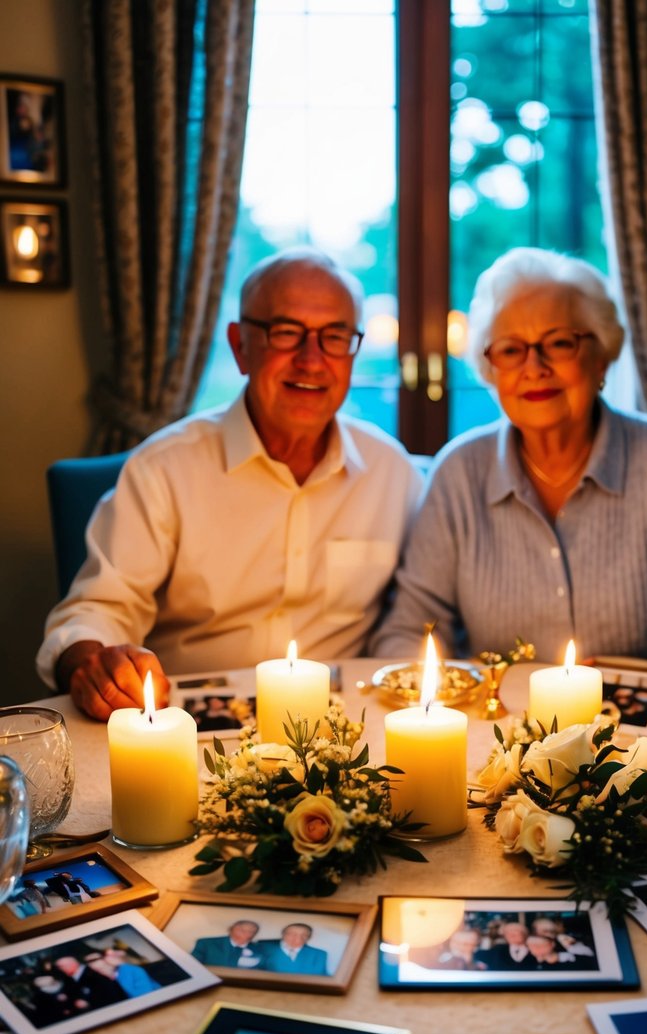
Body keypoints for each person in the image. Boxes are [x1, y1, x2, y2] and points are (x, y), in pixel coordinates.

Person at [371, 247, 647, 681]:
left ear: (602, 357)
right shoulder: (459, 473)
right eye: (511, 350)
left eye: (558, 343)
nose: (534, 367)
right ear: (490, 370)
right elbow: (405, 631)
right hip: (502, 736)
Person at [37, 248, 422, 722]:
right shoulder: (165, 468)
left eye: (335, 337)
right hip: (183, 731)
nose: (311, 360)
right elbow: (96, 609)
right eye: (286, 333)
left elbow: (420, 611)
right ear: (241, 347)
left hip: (338, 732)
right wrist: (92, 662)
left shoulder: (393, 474)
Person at [51, 954, 127, 1012]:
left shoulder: (95, 972)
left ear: (73, 964)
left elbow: (112, 995)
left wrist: (88, 1004)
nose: (60, 969)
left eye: (61, 966)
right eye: (58, 967)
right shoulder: (69, 979)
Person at [88, 947, 161, 998]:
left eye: (94, 960)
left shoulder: (129, 971)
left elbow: (145, 995)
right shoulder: (108, 980)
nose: (92, 965)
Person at [191, 920, 265, 970]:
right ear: (231, 929)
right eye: (242, 930)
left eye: (251, 931)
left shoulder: (261, 949)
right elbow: (192, 966)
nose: (246, 934)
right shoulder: (207, 944)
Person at [259, 923, 328, 975]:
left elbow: (323, 976)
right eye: (292, 934)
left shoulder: (319, 954)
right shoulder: (264, 948)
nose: (298, 938)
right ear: (283, 934)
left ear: (309, 937)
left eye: (304, 935)